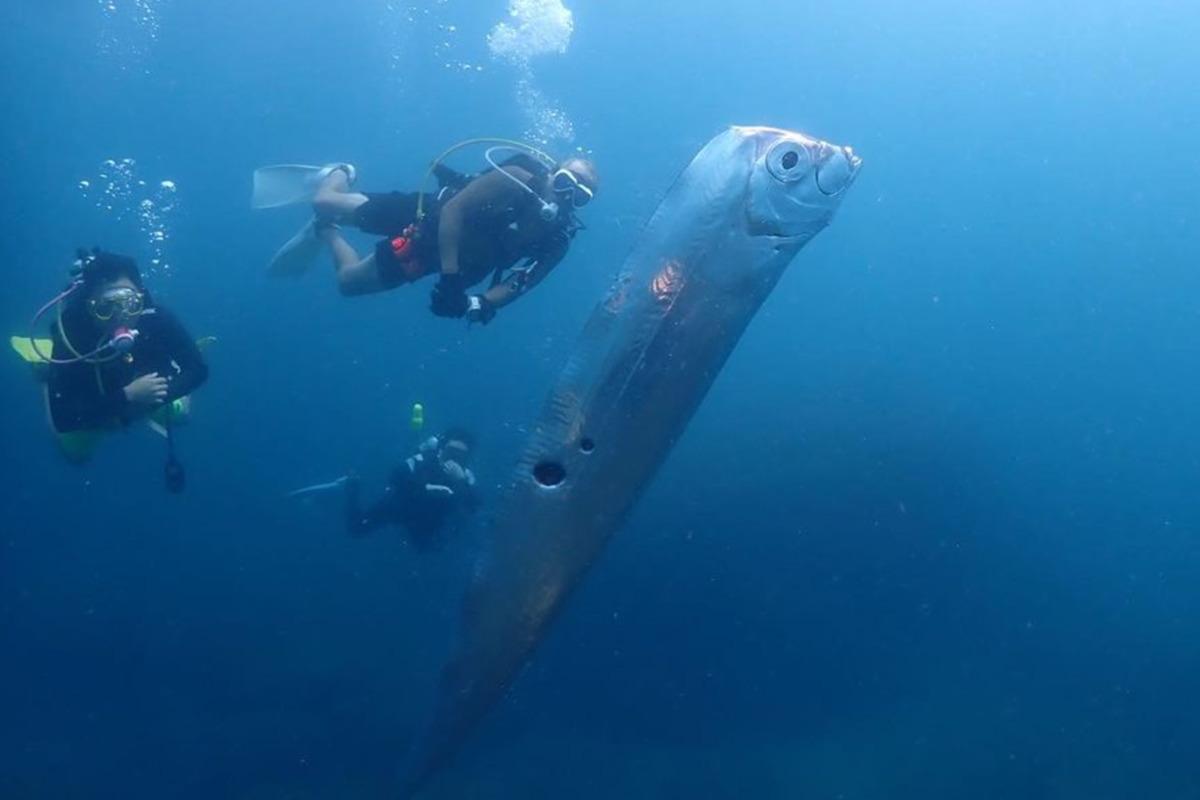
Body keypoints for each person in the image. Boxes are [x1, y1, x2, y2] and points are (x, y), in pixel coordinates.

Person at [262, 145, 599, 325]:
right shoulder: (515, 178)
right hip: (425, 218)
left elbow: (523, 281)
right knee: (323, 200)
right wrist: (452, 280)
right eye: (565, 182)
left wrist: (479, 302)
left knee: (348, 284)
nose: (566, 196)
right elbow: (453, 212)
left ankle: (324, 231)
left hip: (432, 256)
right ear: (552, 173)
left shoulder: (557, 239)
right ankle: (340, 172)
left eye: (580, 195)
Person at [20, 250, 209, 479]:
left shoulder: (157, 318)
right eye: (105, 308)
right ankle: (46, 373)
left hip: (145, 391)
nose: (120, 316)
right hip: (93, 400)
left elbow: (198, 370)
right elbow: (64, 419)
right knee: (76, 456)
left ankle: (167, 373)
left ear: (141, 297)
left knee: (181, 414)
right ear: (90, 308)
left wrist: (143, 403)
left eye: (130, 303)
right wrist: (127, 396)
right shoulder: (72, 332)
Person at [344, 429, 481, 550]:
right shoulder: (424, 460)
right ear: (441, 449)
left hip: (431, 520)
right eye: (451, 451)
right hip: (403, 507)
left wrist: (461, 481)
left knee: (425, 548)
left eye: (460, 455)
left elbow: (475, 505)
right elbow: (395, 476)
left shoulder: (465, 475)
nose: (454, 458)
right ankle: (353, 487)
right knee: (357, 528)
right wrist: (424, 489)